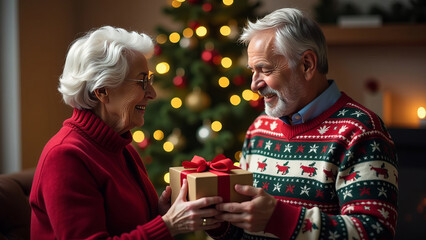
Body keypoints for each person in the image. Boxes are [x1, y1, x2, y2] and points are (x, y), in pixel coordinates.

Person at [207, 8, 398, 240]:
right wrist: (218, 223)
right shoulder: (260, 127)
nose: (254, 85)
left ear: (307, 64)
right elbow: (245, 228)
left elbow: (375, 233)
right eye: (252, 71)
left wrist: (280, 219)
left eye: (265, 70)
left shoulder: (361, 130)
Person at [29, 26, 223, 239]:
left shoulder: (121, 148)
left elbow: (125, 226)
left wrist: (159, 215)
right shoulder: (65, 156)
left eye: (150, 81)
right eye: (142, 82)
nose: (152, 93)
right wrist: (167, 225)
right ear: (102, 90)